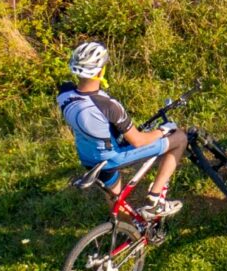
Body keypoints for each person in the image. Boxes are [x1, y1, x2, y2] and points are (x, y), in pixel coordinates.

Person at [56, 41, 184, 218]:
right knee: (179, 139)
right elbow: (138, 141)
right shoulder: (109, 106)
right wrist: (163, 130)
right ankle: (155, 200)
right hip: (112, 157)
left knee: (116, 199)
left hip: (87, 157)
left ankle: (128, 234)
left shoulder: (64, 94)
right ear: (101, 71)